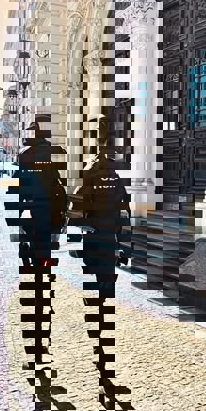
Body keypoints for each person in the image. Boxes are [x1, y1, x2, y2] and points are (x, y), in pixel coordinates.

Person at [6, 119, 67, 372]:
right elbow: (61, 191)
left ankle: (34, 348)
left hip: (29, 226)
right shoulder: (54, 156)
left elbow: (14, 194)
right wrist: (60, 222)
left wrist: (16, 225)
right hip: (49, 226)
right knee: (45, 281)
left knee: (32, 284)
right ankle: (43, 344)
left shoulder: (24, 156)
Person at [69, 114, 131, 299]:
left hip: (96, 224)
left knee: (95, 258)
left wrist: (74, 222)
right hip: (111, 224)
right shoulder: (116, 174)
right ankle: (106, 288)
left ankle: (103, 289)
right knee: (107, 259)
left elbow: (79, 198)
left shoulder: (91, 170)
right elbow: (124, 201)